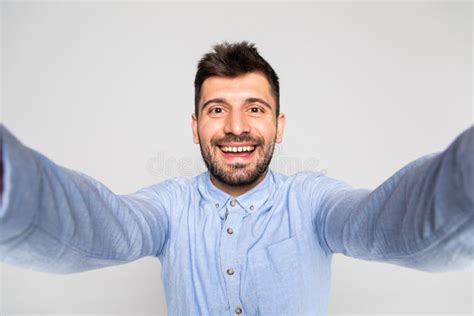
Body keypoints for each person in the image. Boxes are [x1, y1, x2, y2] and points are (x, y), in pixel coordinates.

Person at [0, 41, 472, 315]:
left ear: (279, 125)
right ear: (195, 127)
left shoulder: (312, 201)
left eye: (255, 109)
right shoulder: (169, 207)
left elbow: (388, 223)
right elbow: (99, 227)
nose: (236, 127)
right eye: (216, 109)